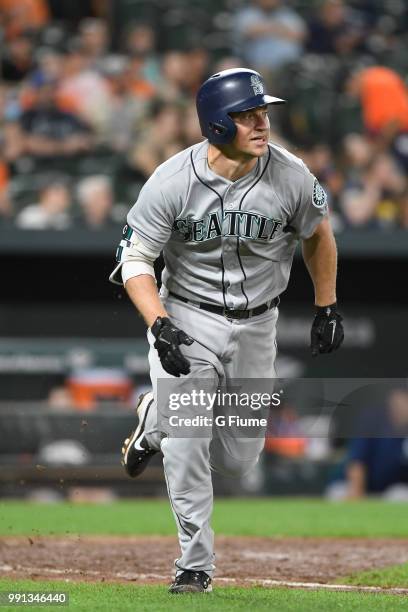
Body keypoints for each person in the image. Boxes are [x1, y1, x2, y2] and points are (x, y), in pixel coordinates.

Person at [109, 68, 344, 593]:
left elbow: (318, 234)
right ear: (217, 124)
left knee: (239, 459)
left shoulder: (291, 176)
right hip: (187, 318)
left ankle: (153, 420)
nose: (263, 123)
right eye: (247, 116)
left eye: (264, 113)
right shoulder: (171, 181)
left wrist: (326, 304)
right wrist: (159, 323)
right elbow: (136, 260)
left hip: (260, 322)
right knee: (188, 441)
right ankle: (194, 566)